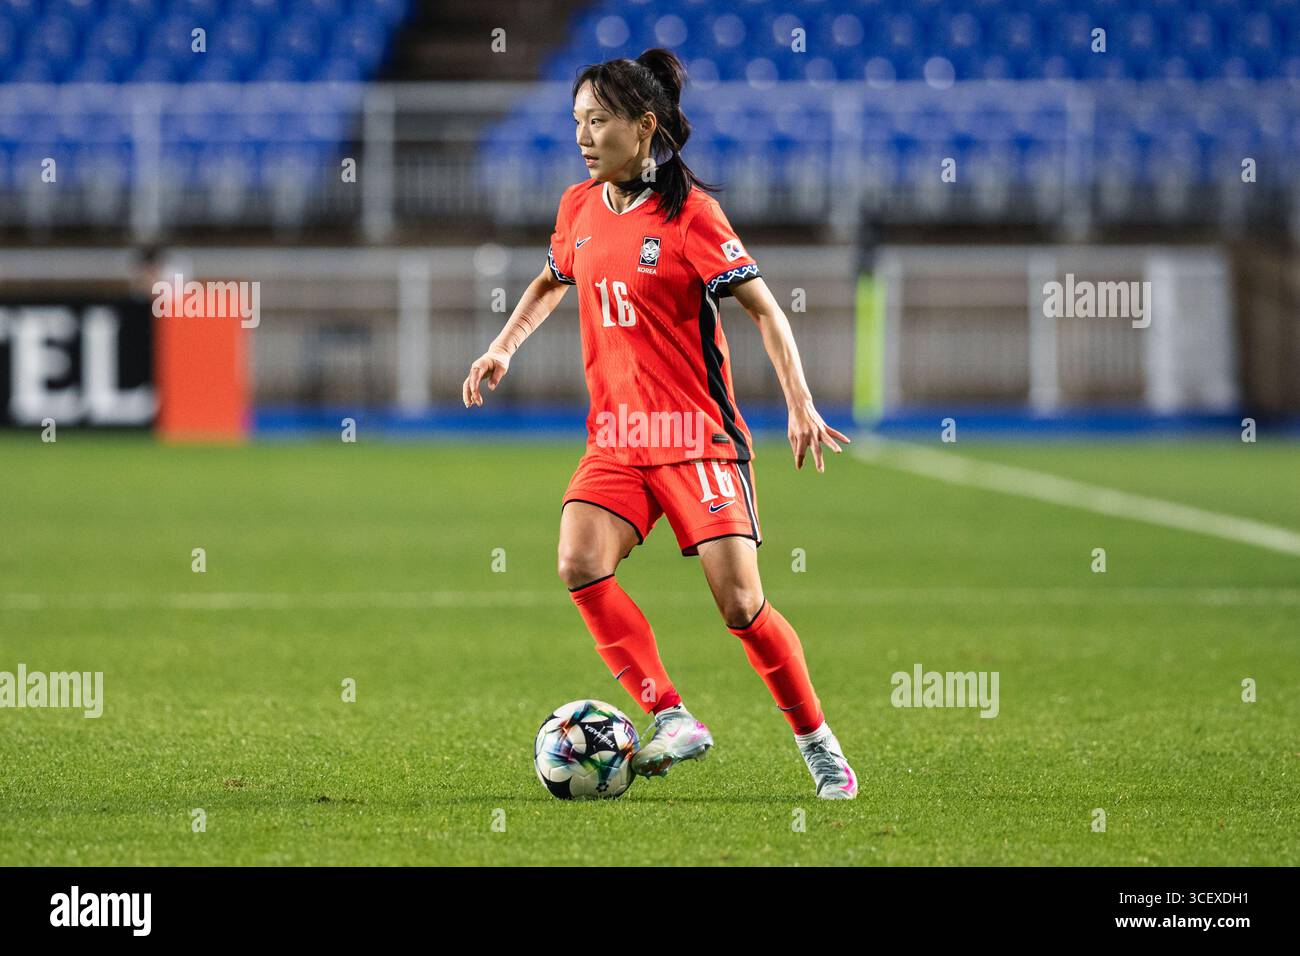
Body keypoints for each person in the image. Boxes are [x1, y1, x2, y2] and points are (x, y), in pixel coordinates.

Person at [463, 48, 857, 798]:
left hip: (695, 438)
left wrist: (799, 400)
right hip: (616, 440)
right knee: (578, 561)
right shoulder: (578, 206)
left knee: (741, 606)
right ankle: (670, 714)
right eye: (576, 121)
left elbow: (766, 311)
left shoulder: (690, 216)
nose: (583, 137)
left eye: (599, 121)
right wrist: (502, 347)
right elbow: (552, 279)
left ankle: (818, 743)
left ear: (644, 128)